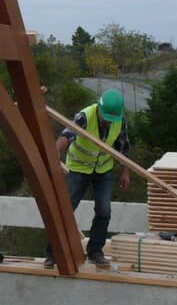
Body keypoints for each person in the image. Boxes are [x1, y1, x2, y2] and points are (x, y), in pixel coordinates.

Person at [44, 89, 132, 269]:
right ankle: (53, 253)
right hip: (78, 168)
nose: (108, 122)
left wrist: (125, 172)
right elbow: (67, 134)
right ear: (99, 109)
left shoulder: (119, 121)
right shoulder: (85, 116)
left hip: (103, 169)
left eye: (111, 119)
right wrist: (57, 149)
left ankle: (95, 252)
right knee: (64, 209)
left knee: (104, 211)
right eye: (105, 117)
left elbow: (123, 148)